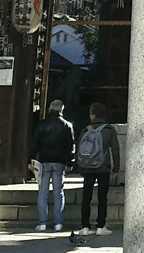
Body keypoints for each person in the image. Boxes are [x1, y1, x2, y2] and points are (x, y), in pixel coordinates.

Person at [29, 99, 75, 232]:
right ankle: (58, 223)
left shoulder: (41, 124)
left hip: (44, 161)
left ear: (50, 109)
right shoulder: (67, 125)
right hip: (59, 161)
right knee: (58, 192)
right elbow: (70, 145)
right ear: (61, 110)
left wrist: (31, 160)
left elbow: (34, 143)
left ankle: (42, 223)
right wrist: (70, 162)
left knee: (42, 192)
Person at [77, 102, 120, 237]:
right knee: (102, 197)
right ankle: (100, 226)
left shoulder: (85, 130)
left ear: (93, 115)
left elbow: (79, 150)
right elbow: (115, 151)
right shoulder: (109, 130)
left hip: (88, 168)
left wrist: (80, 168)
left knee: (86, 197)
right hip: (103, 168)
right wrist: (116, 168)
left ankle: (85, 226)